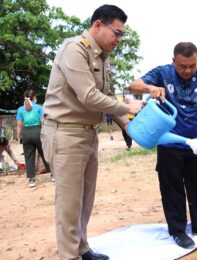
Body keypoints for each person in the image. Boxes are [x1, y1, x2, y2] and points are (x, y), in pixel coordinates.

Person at [40, 5, 143, 260]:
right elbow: (88, 96)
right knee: (69, 204)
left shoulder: (101, 57)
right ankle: (70, 256)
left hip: (88, 134)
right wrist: (128, 106)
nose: (118, 40)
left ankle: (82, 249)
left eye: (121, 35)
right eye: (116, 33)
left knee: (85, 199)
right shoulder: (74, 49)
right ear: (98, 25)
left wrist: (128, 125)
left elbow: (106, 96)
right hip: (65, 134)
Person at [128, 42, 197, 249]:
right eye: (182, 66)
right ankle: (177, 230)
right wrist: (151, 88)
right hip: (170, 144)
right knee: (173, 190)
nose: (187, 71)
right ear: (173, 62)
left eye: (192, 65)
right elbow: (133, 85)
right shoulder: (162, 73)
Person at [16, 89, 51, 187]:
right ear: (34, 97)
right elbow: (42, 122)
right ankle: (53, 174)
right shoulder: (38, 107)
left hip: (26, 133)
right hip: (38, 132)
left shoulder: (20, 110)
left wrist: (19, 137)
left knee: (29, 156)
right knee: (45, 152)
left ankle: (31, 180)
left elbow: (19, 126)